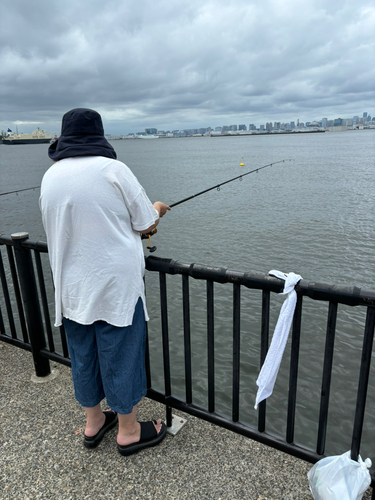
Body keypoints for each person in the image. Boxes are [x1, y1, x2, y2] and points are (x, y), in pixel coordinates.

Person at [40, 108, 170, 456]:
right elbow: (145, 223)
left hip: (71, 286)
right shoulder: (114, 170)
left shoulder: (50, 176)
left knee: (83, 355)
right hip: (115, 287)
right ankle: (128, 431)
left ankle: (94, 422)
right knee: (121, 354)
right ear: (99, 137)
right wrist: (157, 208)